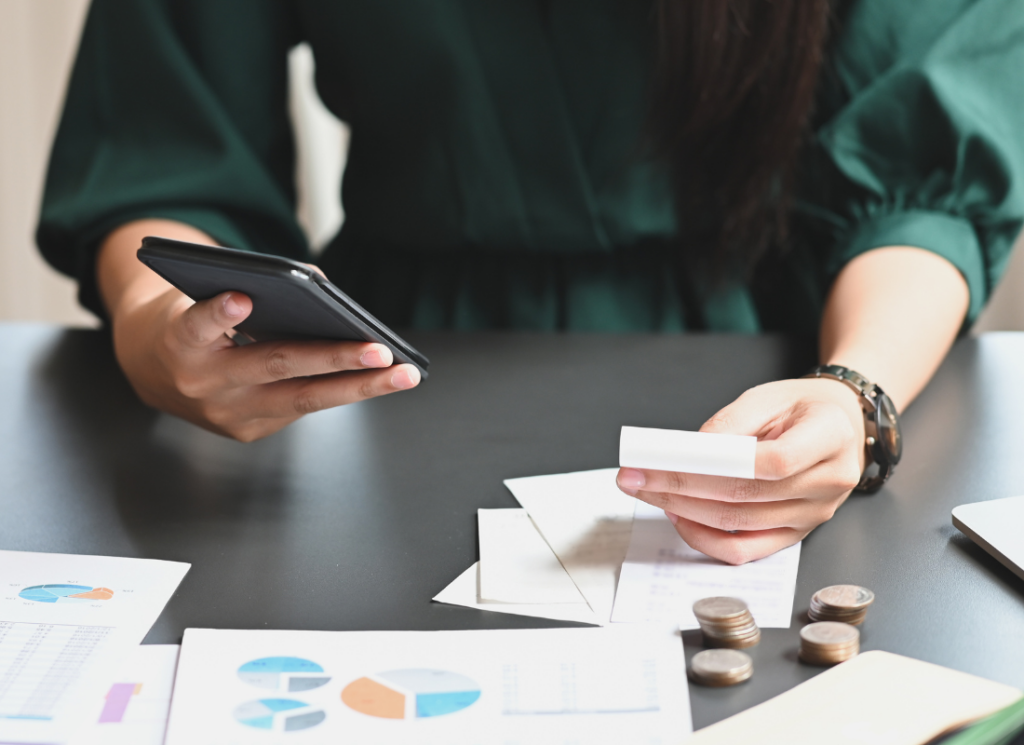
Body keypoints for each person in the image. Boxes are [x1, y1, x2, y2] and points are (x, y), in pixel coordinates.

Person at [37, 0, 1024, 564]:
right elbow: (163, 147)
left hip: (778, 358)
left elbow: (921, 179)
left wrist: (858, 395)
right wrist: (158, 330)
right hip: (386, 384)